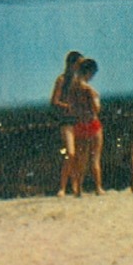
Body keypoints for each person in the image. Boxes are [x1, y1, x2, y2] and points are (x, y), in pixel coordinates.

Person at [50, 50, 83, 197]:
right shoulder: (62, 80)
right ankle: (63, 187)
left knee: (77, 155)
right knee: (70, 153)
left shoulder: (78, 81)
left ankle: (75, 187)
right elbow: (54, 101)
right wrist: (68, 106)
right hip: (66, 121)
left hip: (77, 119)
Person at [71, 56, 104, 196]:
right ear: (89, 72)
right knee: (95, 158)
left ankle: (78, 189)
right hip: (92, 123)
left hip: (79, 124)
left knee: (81, 159)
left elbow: (72, 108)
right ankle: (98, 188)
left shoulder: (73, 88)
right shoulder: (89, 90)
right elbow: (96, 108)